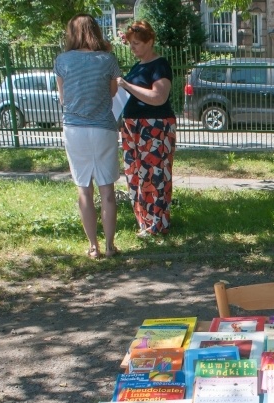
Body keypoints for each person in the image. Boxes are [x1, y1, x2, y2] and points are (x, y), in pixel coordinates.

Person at [53, 14, 123, 259]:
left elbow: (63, 98)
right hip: (103, 128)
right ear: (96, 31)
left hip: (75, 129)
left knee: (84, 189)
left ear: (71, 33)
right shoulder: (108, 59)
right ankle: (110, 246)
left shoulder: (62, 60)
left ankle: (93, 246)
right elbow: (113, 92)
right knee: (107, 190)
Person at [117, 21, 176, 238]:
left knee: (155, 175)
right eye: (130, 43)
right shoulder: (138, 65)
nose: (132, 47)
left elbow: (159, 97)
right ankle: (144, 222)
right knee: (136, 175)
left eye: (137, 43)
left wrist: (127, 85)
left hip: (154, 128)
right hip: (133, 127)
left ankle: (157, 225)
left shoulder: (159, 65)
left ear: (150, 42)